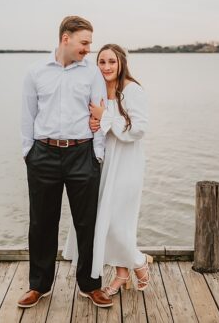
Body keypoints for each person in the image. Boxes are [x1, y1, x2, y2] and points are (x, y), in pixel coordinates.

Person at [18, 16, 111, 308]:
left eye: (90, 44)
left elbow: (99, 114)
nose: (88, 49)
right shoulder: (36, 72)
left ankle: (90, 284)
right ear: (65, 38)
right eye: (85, 42)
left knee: (87, 223)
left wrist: (98, 154)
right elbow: (27, 115)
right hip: (43, 155)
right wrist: (28, 153)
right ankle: (39, 285)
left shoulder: (92, 74)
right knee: (42, 222)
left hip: (82, 154)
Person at [64, 44, 152, 295]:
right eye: (101, 62)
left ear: (121, 62)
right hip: (101, 163)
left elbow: (139, 129)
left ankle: (138, 262)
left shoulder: (132, 90)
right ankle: (123, 273)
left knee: (117, 223)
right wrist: (92, 122)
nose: (106, 67)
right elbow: (93, 125)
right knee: (103, 220)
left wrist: (105, 117)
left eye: (111, 62)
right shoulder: (98, 90)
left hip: (127, 164)